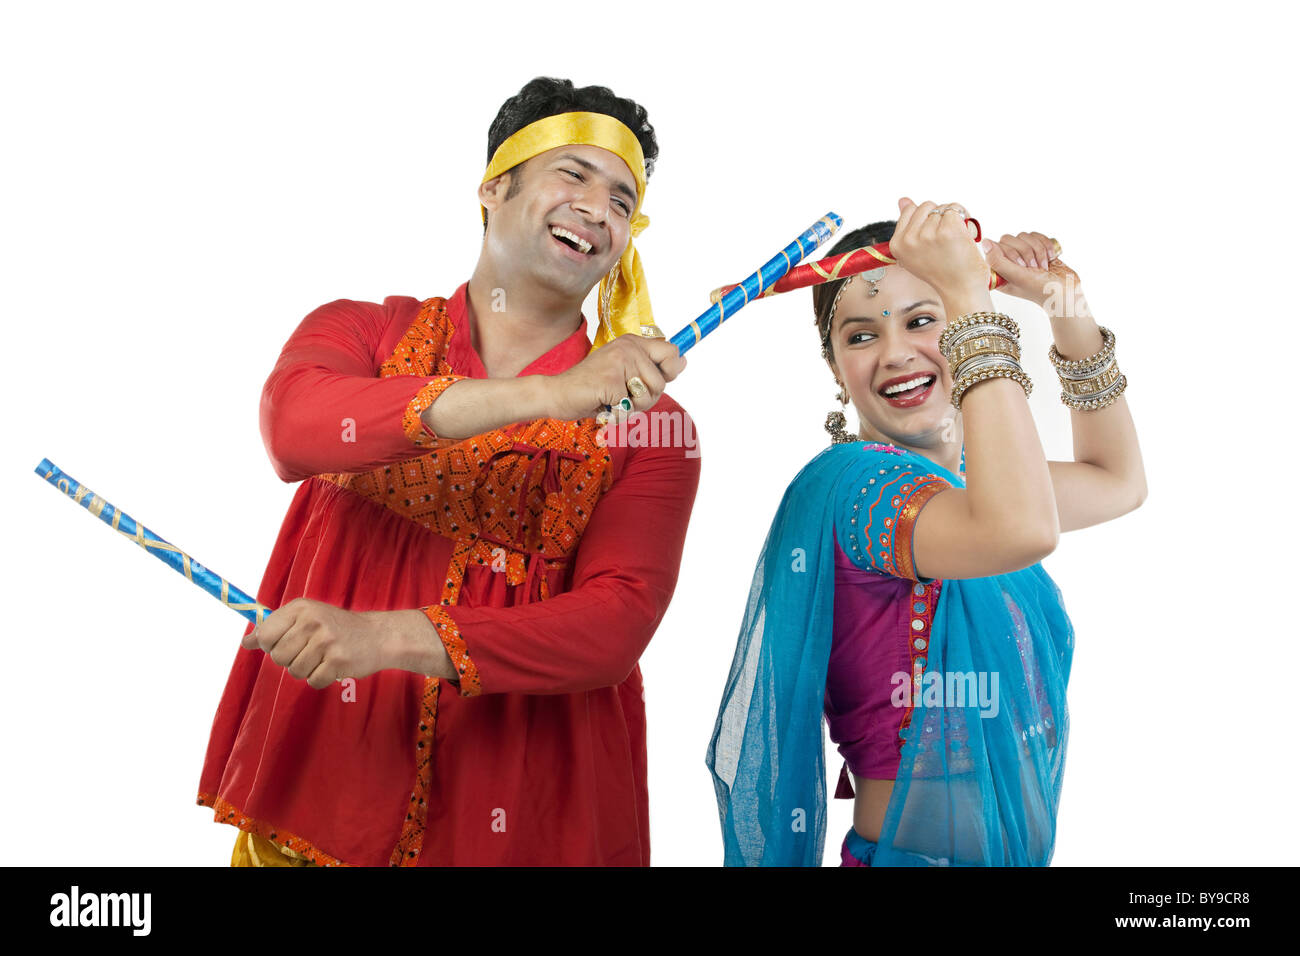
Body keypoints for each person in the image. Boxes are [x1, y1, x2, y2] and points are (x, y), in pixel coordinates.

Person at [197, 77, 701, 866]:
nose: (599, 210)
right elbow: (294, 428)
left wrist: (384, 638)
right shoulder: (362, 332)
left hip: (522, 820)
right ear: (494, 187)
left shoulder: (656, 430)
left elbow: (614, 626)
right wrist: (544, 395)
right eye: (572, 175)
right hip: (324, 796)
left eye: (622, 199)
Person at [706, 198, 1145, 866]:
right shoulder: (854, 488)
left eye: (921, 320)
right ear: (833, 367)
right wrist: (970, 298)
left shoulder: (975, 485)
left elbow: (1118, 482)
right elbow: (1022, 530)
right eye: (860, 336)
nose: (895, 354)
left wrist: (1068, 308)